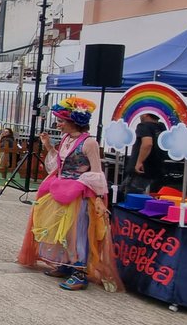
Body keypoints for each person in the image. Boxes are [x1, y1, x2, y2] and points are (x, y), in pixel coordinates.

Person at [17, 97, 121, 292]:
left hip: (78, 195)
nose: (58, 124)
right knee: (62, 231)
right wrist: (48, 145)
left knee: (78, 232)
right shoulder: (66, 139)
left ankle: (79, 272)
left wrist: (95, 195)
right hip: (61, 190)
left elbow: (97, 172)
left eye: (61, 121)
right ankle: (66, 264)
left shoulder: (89, 143)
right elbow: (58, 164)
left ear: (73, 121)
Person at [126, 112, 165, 196]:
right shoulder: (162, 127)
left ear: (145, 114)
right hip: (156, 169)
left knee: (130, 196)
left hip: (141, 170)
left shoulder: (143, 126)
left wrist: (139, 162)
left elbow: (147, 143)